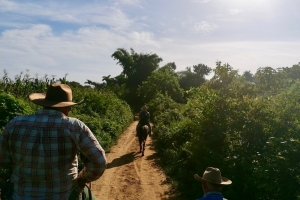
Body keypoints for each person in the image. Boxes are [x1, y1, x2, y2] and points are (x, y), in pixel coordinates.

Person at [0, 83, 107, 199]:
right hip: (65, 196)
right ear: (66, 108)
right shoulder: (74, 126)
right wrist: (82, 179)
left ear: (44, 104)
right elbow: (99, 162)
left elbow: (3, 160)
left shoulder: (15, 123)